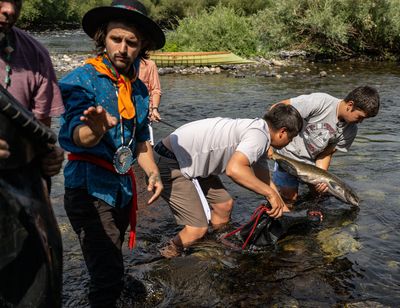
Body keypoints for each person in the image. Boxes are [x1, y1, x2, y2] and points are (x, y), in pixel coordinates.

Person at [58, 1, 165, 306]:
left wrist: (153, 172)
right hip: (88, 188)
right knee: (107, 275)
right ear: (103, 38)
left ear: (141, 45)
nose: (123, 48)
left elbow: (141, 139)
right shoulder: (80, 80)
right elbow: (75, 137)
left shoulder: (140, 90)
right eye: (116, 39)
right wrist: (96, 129)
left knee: (110, 258)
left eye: (131, 42)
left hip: (120, 189)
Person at [153, 103, 303, 258]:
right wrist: (271, 195)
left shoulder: (260, 131)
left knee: (224, 205)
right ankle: (165, 256)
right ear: (282, 132)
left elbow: (262, 176)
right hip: (170, 160)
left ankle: (214, 245)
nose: (290, 142)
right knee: (196, 229)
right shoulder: (258, 136)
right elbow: (234, 170)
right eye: (291, 138)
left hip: (192, 159)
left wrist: (282, 208)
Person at [272, 86, 380, 203]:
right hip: (286, 157)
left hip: (311, 165)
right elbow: (277, 109)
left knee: (318, 197)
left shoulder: (351, 130)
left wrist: (321, 179)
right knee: (289, 200)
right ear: (350, 105)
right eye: (360, 117)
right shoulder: (320, 102)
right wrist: (268, 139)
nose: (361, 122)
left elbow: (326, 154)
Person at [0, 0, 64, 175]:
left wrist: (50, 154)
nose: (10, 10)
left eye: (16, 2)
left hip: (16, 183)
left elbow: (41, 133)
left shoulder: (36, 55)